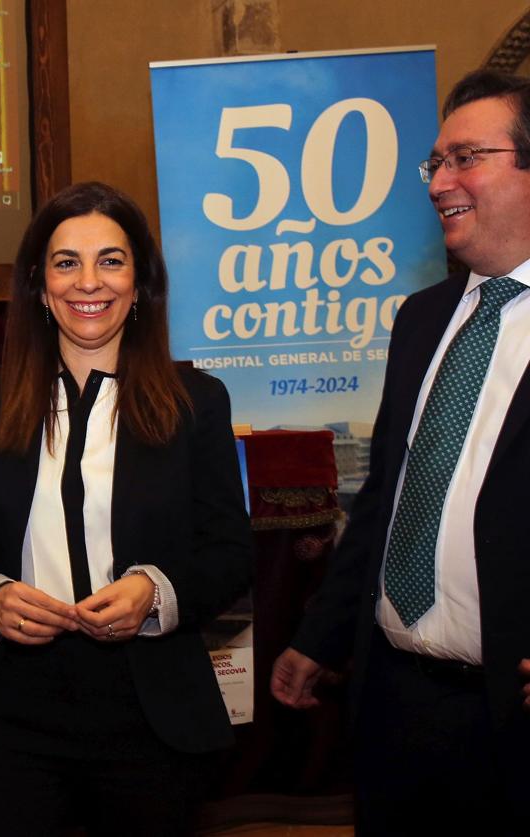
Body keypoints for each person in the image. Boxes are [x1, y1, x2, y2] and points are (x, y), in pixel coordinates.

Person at [0, 181, 253, 837]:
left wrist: (153, 589)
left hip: (149, 710)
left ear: (141, 283)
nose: (89, 281)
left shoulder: (198, 402)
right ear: (38, 283)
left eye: (111, 259)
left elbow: (229, 551)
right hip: (7, 714)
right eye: (66, 261)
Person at [270, 69, 530, 835]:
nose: (438, 181)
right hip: (392, 702)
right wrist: (319, 636)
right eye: (434, 163)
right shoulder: (421, 319)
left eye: (465, 158)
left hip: (509, 723)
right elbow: (388, 497)